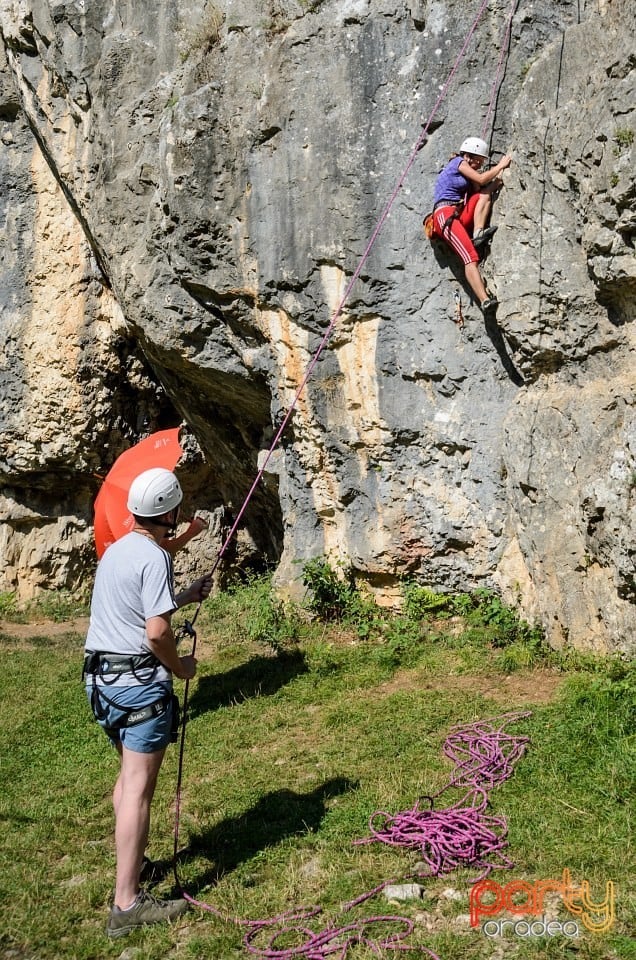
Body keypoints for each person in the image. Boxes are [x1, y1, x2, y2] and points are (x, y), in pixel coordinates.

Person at [84, 467, 212, 938]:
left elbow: (137, 611)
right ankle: (126, 904)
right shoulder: (155, 556)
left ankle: (131, 863)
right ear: (171, 512)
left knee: (127, 777)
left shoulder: (118, 551)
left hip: (100, 682)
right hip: (137, 686)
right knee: (138, 788)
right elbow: (156, 633)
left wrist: (183, 595)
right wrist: (182, 669)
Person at [430, 136, 512, 313]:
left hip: (457, 216)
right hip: (445, 215)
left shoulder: (467, 173)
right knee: (470, 257)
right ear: (470, 156)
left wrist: (496, 183)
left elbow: (481, 191)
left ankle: (478, 233)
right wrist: (500, 166)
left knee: (483, 196)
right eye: (479, 161)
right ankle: (484, 301)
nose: (480, 165)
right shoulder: (458, 162)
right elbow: (482, 179)